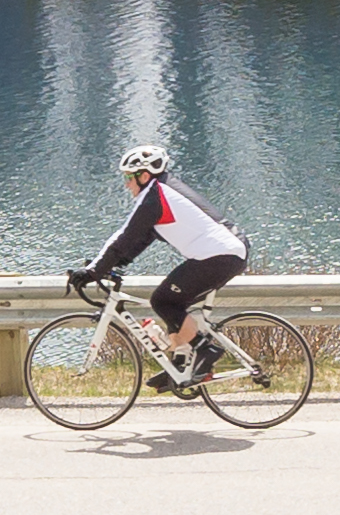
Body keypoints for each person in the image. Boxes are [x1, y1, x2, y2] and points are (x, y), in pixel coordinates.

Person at [67, 141, 251, 379]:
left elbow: (126, 235)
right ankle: (179, 367)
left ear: (143, 176)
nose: (126, 184)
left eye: (129, 178)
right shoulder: (163, 192)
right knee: (172, 304)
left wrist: (93, 271)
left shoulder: (154, 196)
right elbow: (143, 237)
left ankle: (207, 350)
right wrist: (115, 263)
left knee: (163, 301)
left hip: (220, 255)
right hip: (225, 253)